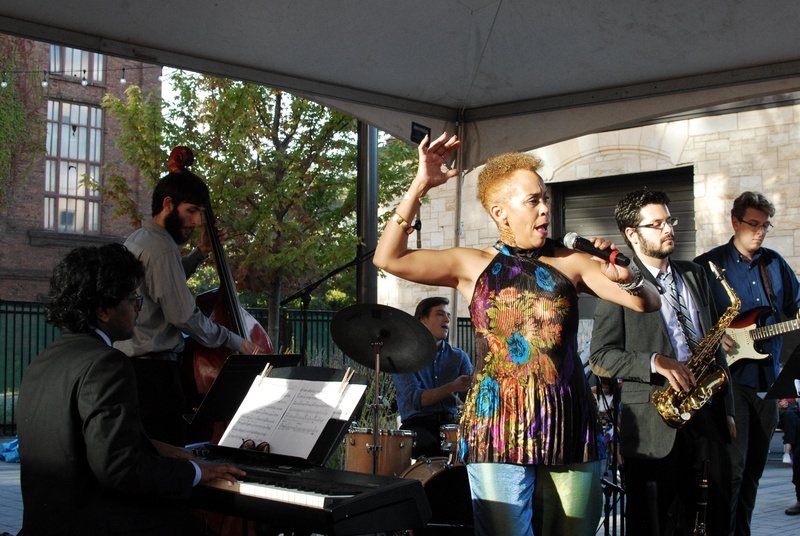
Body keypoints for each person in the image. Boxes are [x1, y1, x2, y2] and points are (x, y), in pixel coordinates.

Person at [373, 133, 662, 536]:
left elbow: (647, 304)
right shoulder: (471, 264)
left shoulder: (571, 261)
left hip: (570, 424)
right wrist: (419, 186)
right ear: (500, 211)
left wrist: (628, 278)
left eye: (544, 198)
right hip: (496, 426)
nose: (546, 208)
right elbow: (388, 258)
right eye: (533, 201)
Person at [16, 244, 244, 536]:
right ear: (103, 310)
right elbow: (120, 471)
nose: (138, 308)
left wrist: (166, 450)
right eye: (133, 299)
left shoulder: (45, 360)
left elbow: (87, 442)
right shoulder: (106, 363)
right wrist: (198, 472)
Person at [589, 188, 735, 536]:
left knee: (715, 516)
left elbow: (714, 344)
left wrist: (727, 407)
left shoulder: (695, 274)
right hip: (655, 424)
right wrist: (655, 361)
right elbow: (599, 356)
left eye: (670, 220)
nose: (668, 229)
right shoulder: (618, 283)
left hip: (708, 413)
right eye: (656, 224)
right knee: (655, 524)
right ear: (632, 234)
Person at [115, 170, 264, 446]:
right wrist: (235, 341)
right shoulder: (161, 248)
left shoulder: (139, 239)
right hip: (154, 377)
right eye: (191, 211)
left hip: (133, 369)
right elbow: (184, 315)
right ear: (168, 204)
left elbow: (163, 285)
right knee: (169, 457)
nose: (197, 221)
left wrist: (201, 252)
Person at [694, 191, 800, 535]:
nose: (760, 232)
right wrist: (715, 333)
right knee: (733, 468)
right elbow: (687, 320)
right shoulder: (707, 265)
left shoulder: (774, 263)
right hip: (728, 381)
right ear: (735, 222)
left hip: (768, 380)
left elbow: (794, 304)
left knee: (755, 469)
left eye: (765, 226)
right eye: (753, 224)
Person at [393, 296, 473, 458]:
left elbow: (470, 398)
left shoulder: (459, 357)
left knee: (475, 444)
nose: (447, 319)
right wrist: (453, 387)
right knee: (428, 444)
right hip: (418, 425)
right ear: (423, 320)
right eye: (439, 314)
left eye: (448, 315)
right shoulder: (405, 357)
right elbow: (416, 399)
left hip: (451, 424)